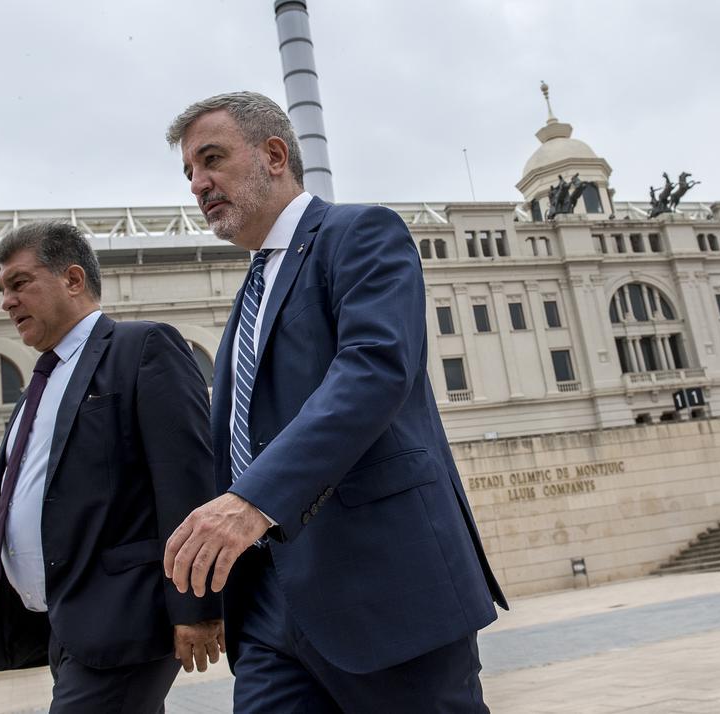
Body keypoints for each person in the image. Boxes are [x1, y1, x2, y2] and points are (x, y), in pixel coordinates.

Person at [161, 92, 507, 712]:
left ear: (273, 154)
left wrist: (251, 501)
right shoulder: (249, 295)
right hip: (267, 608)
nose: (198, 183)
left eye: (211, 159)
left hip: (383, 587)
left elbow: (374, 369)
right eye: (189, 171)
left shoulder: (360, 233)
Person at [0, 222, 223, 712]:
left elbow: (188, 480)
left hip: (124, 620)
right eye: (2, 289)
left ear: (73, 280)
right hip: (63, 626)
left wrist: (198, 608)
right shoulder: (36, 389)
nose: (6, 301)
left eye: (19, 283)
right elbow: (3, 512)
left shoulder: (142, 347)